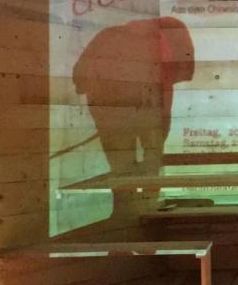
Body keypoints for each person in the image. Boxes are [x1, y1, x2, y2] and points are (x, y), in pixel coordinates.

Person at [72, 17, 195, 217]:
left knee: (121, 168)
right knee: (151, 164)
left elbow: (79, 76)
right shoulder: (169, 32)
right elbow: (181, 71)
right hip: (151, 112)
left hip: (112, 114)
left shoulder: (106, 37)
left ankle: (124, 215)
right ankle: (148, 210)